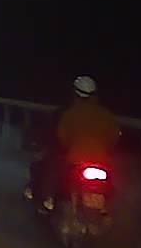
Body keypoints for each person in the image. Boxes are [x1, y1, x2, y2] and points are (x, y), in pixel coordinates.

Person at [25, 75, 120, 211]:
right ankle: (107, 210)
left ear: (75, 93)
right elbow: (114, 137)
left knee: (55, 171)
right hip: (102, 162)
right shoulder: (106, 115)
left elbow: (63, 137)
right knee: (112, 185)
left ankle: (49, 202)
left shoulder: (69, 114)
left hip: (75, 160)